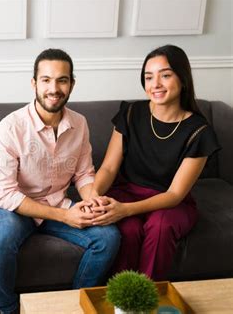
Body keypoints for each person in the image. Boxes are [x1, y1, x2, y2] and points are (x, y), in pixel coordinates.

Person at [0, 48, 120, 314]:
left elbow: (83, 174)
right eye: (46, 80)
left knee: (109, 237)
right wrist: (63, 216)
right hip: (18, 206)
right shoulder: (10, 127)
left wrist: (92, 200)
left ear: (72, 84)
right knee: (1, 239)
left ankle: (72, 305)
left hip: (60, 201)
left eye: (62, 80)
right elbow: (5, 194)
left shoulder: (80, 123)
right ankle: (7, 310)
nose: (54, 88)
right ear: (34, 83)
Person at [88, 45, 221, 281]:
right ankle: (120, 297)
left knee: (160, 227)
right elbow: (108, 167)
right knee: (127, 230)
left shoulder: (200, 131)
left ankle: (147, 296)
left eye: (165, 75)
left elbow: (175, 194)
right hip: (127, 191)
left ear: (182, 79)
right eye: (149, 77)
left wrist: (125, 210)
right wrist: (95, 195)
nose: (155, 84)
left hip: (169, 203)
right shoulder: (130, 113)